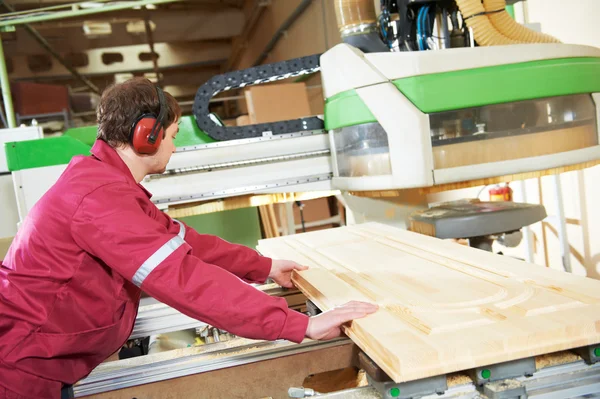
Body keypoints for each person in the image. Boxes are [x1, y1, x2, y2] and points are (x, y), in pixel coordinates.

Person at [0, 78, 378, 399]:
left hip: (40, 361)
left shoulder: (107, 186)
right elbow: (184, 280)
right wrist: (301, 325)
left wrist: (263, 266)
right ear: (147, 135)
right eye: (173, 135)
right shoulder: (99, 198)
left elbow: (184, 241)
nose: (175, 147)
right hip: (21, 370)